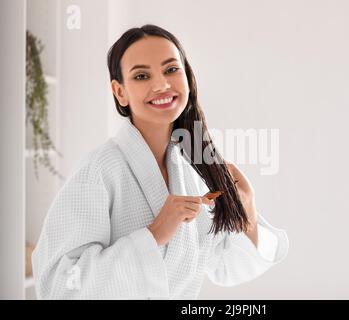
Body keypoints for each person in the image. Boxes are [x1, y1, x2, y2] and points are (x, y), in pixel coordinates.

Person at [32, 24, 289, 299]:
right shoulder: (99, 170)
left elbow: (224, 265)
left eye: (171, 69)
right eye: (142, 75)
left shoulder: (193, 170)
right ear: (120, 92)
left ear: (187, 77)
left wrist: (246, 211)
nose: (161, 85)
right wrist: (153, 235)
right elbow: (59, 285)